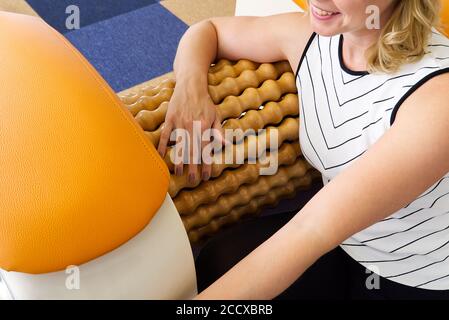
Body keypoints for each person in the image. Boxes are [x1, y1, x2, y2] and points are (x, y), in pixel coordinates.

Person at [157, 0, 449, 299]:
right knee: (219, 260)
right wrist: (190, 88)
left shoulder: (438, 97)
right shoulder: (311, 34)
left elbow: (311, 230)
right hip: (347, 241)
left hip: (417, 277)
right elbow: (207, 31)